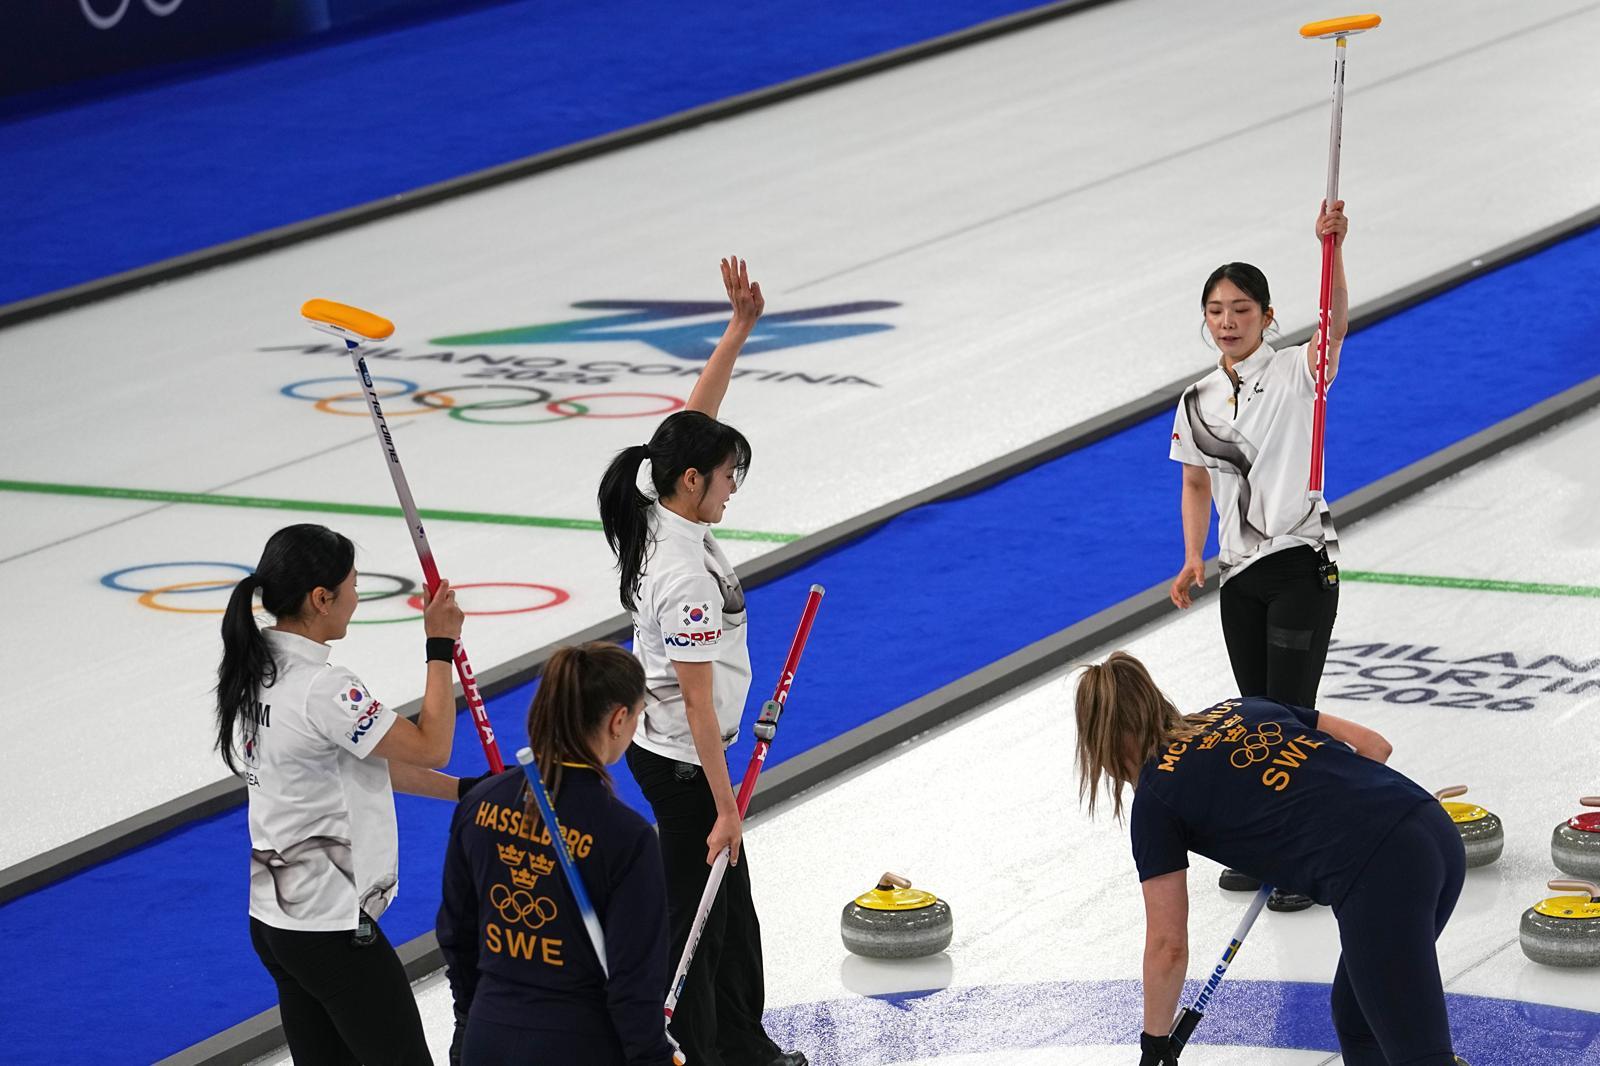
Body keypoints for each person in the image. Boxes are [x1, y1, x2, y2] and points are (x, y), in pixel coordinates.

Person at [597, 257, 805, 1066]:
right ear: (690, 481)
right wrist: (726, 808)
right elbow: (693, 706)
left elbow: (692, 418)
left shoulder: (662, 513)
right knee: (700, 923)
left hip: (684, 755)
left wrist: (739, 329)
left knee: (731, 911)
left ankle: (744, 1046)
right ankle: (704, 1055)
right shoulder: (682, 573)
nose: (733, 490)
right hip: (689, 764)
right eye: (727, 478)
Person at [1073, 651, 1468, 1066]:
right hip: (1431, 827)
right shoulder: (1242, 708)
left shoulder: (1156, 797)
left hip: (1384, 872)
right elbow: (1374, 746)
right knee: (1357, 1022)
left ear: (1102, 742)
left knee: (1420, 1058)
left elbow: (1168, 945)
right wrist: (1304, 826)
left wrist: (1155, 1044)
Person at [214, 522, 469, 1066]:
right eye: (351, 586)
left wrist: (464, 793)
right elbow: (431, 746)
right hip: (329, 929)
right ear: (320, 598)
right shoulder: (325, 687)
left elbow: (360, 759)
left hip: (276, 921)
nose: (356, 598)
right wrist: (440, 646)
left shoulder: (253, 667)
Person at [1168, 201, 1351, 909]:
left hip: (1301, 563)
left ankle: (1305, 858)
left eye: (1241, 308)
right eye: (1216, 309)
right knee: (1255, 717)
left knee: (1289, 720)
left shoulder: (1303, 370)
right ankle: (1263, 842)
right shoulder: (1198, 398)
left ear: (1268, 316)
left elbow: (1334, 318)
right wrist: (1192, 558)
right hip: (1239, 573)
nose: (1227, 320)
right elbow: (1192, 480)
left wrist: (1332, 251)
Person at [437, 643, 674, 1066]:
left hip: (487, 1036)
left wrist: (470, 1019)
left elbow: (457, 934)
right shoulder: (627, 837)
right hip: (578, 1044)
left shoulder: (479, 804)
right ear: (619, 720)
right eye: (638, 715)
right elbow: (634, 982)